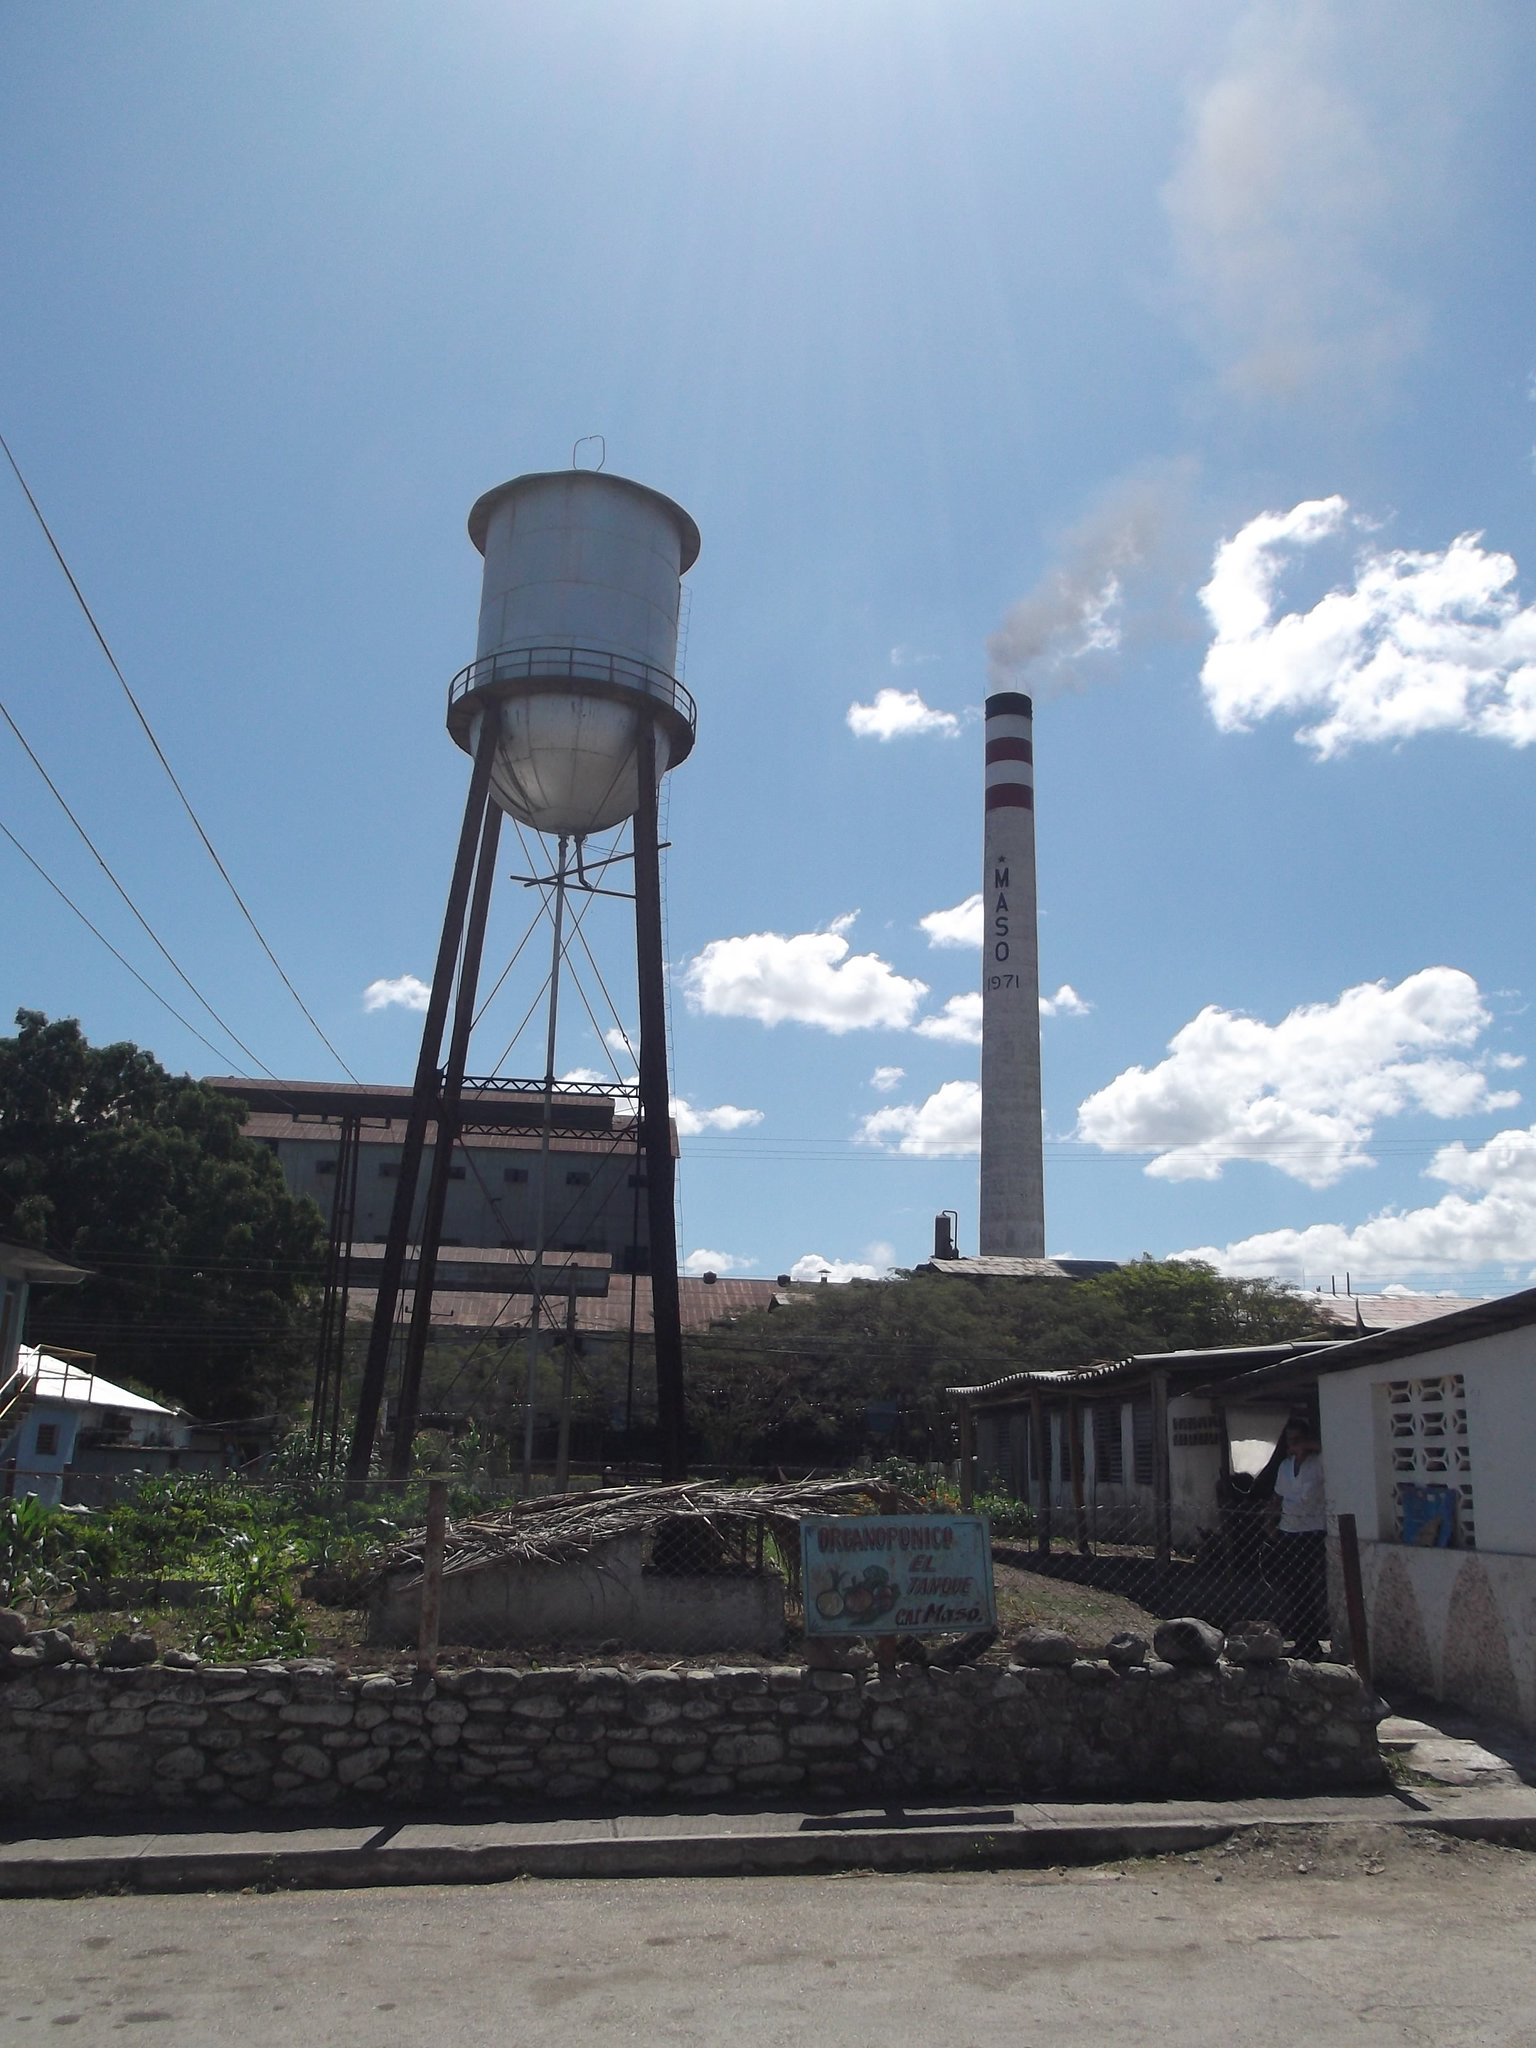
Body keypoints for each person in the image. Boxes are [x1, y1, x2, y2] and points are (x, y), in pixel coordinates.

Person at [1266, 1416, 1327, 1660]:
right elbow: (1278, 1497)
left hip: (1312, 1531)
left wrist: (1309, 1447)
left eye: (1299, 1440)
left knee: (1308, 1589)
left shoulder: (1319, 1463)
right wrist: (1269, 1521)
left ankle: (1313, 1642)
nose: (1295, 1445)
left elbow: (1330, 1450)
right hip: (1289, 1530)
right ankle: (1301, 1640)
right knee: (1293, 1589)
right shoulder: (1285, 1467)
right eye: (1291, 1441)